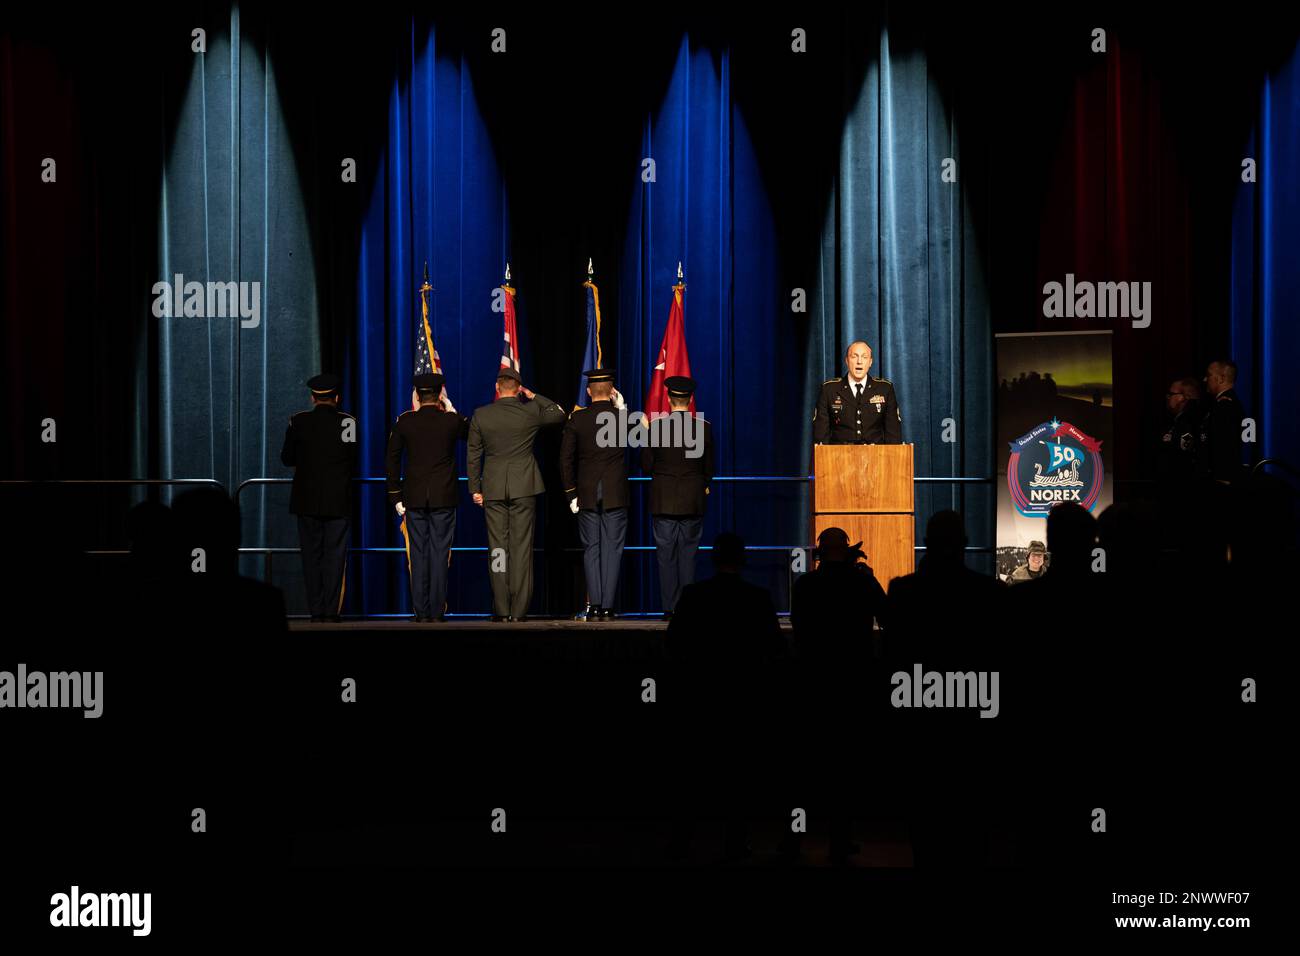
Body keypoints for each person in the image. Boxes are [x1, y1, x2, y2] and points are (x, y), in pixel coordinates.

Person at [467, 368, 567, 621]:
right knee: (521, 549)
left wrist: (474, 489)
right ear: (519, 388)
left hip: (493, 488)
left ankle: (502, 608)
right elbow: (558, 414)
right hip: (524, 487)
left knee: (498, 549)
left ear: (498, 388)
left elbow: (473, 455)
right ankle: (519, 611)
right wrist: (534, 396)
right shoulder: (530, 411)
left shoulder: (482, 415)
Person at [386, 372, 469, 622]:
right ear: (439, 395)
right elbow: (470, 431)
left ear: (417, 396)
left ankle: (421, 613)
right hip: (444, 496)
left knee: (419, 555)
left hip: (413, 497)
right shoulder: (450, 421)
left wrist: (395, 495)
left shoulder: (405, 421)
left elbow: (391, 459)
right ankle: (436, 612)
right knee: (439, 554)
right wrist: (452, 409)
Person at [280, 373, 357, 622]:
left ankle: (316, 611)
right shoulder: (348, 422)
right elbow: (351, 457)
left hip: (307, 499)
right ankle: (331, 612)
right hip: (338, 500)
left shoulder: (298, 422)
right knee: (335, 557)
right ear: (337, 397)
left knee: (311, 558)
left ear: (313, 398)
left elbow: (287, 458)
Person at [560, 369, 630, 620]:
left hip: (587, 493)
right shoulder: (621, 418)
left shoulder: (577, 419)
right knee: (613, 549)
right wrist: (621, 410)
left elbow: (565, 460)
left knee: (591, 549)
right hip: (614, 492)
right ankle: (608, 607)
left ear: (589, 392)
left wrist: (571, 495)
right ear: (612, 392)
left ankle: (597, 604)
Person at [642, 375, 713, 617]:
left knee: (666, 557)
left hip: (663, 501)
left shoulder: (656, 427)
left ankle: (669, 609)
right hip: (693, 501)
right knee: (689, 556)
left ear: (669, 399)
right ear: (690, 399)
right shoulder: (704, 428)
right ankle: (688, 608)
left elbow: (646, 465)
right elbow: (709, 468)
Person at [812, 341, 902, 444]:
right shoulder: (829, 390)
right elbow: (820, 437)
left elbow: (893, 436)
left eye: (864, 357)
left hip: (876, 457)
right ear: (847, 361)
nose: (859, 361)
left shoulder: (885, 389)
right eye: (854, 356)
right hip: (839, 458)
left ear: (870, 362)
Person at [1199, 359, 1246, 484]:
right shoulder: (1231, 403)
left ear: (1221, 378)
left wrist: (1221, 478)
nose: (1204, 380)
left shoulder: (1224, 406)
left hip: (1221, 480)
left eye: (1208, 375)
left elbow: (1224, 445)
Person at [1157, 377, 1201, 482]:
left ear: (1184, 397)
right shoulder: (1177, 420)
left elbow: (1182, 458)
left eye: (1171, 394)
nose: (1167, 397)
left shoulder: (1190, 421)